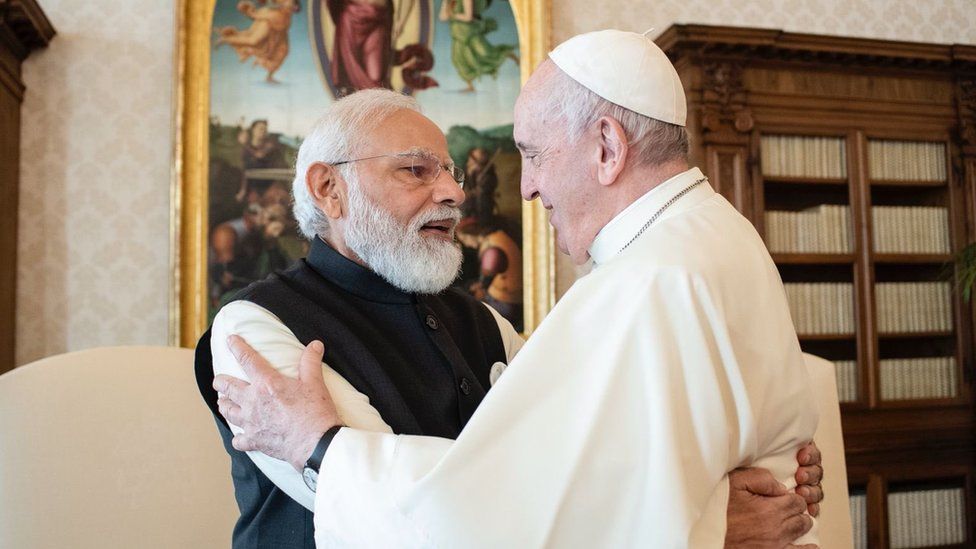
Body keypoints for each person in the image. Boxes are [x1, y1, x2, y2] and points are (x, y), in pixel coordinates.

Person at [214, 30, 825, 547]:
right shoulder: (252, 328)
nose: (457, 192)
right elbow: (463, 510)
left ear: (609, 148)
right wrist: (708, 516)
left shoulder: (508, 316)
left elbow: (543, 487)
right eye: (415, 169)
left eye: (450, 171)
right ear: (328, 190)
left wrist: (319, 445)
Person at [439, 0, 518, 92]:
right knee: (459, 59)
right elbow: (443, 17)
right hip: (458, 33)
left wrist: (453, 16)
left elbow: (468, 17)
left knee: (485, 52)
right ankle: (470, 86)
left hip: (469, 32)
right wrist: (445, 3)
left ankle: (510, 55)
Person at [215, 0, 301, 83]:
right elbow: (268, 2)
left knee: (283, 51)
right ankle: (225, 39)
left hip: (282, 24)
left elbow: (296, 8)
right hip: (271, 19)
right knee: (254, 41)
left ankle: (269, 76)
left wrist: (293, 7)